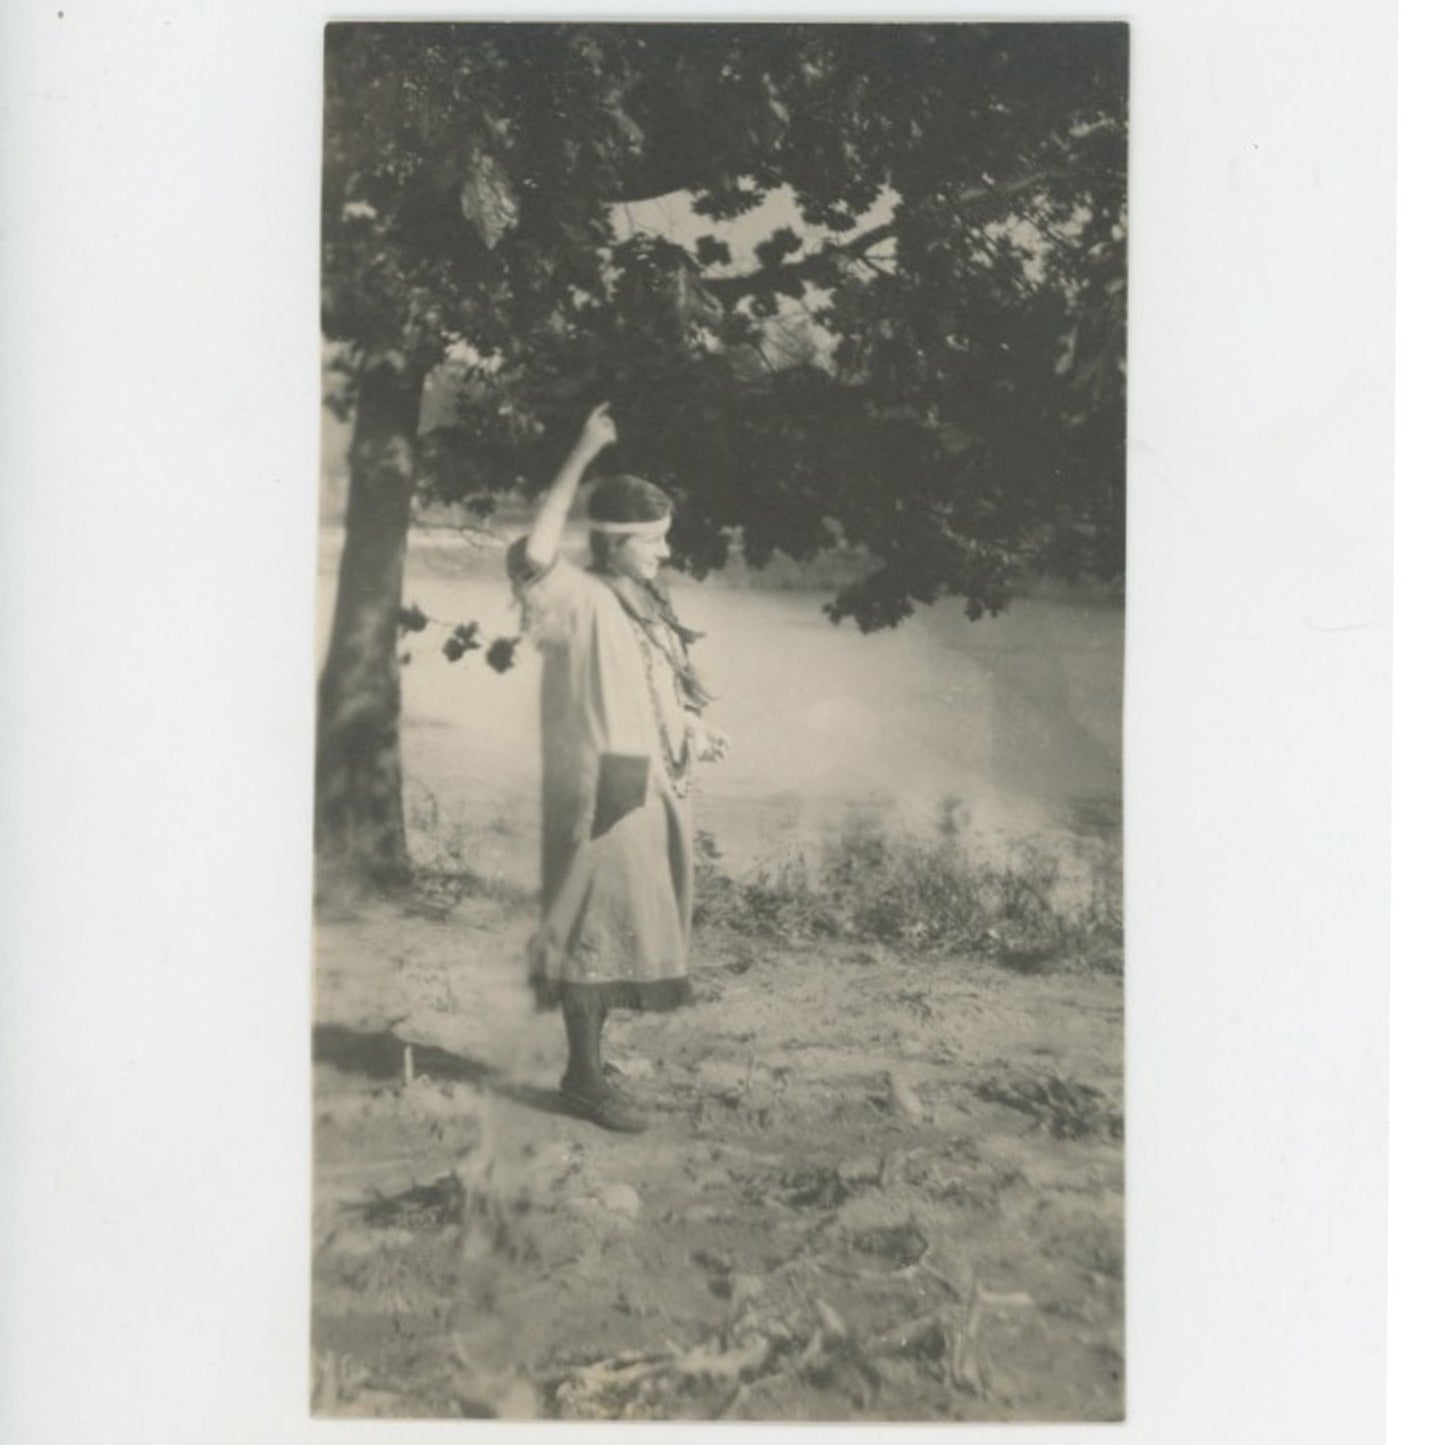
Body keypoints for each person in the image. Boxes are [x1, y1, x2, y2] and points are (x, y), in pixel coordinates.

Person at [507, 402, 729, 1132]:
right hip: (602, 790)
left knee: (622, 918)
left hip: (650, 786)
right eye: (655, 540)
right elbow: (533, 554)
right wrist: (581, 450)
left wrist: (693, 725)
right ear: (618, 540)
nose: (665, 552)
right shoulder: (580, 593)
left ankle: (591, 1066)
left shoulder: (643, 599)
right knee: (588, 919)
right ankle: (581, 1077)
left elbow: (661, 682)